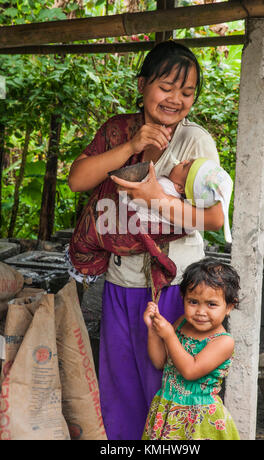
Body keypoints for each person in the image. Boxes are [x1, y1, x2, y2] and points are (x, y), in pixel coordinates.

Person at [68, 40, 224, 440]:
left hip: (173, 287)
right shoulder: (118, 131)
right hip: (122, 284)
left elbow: (214, 217)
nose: (176, 99)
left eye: (187, 92)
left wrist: (157, 199)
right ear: (142, 84)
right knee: (120, 390)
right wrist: (133, 146)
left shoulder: (195, 143)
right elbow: (78, 180)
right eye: (166, 87)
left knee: (164, 387)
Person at [142, 257, 240, 440]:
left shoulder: (223, 342)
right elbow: (159, 362)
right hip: (168, 408)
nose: (201, 311)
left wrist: (169, 335)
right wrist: (152, 330)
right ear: (183, 299)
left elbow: (190, 371)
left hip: (199, 419)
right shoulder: (181, 324)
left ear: (229, 307)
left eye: (211, 304)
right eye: (193, 302)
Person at [125, 156, 233, 243]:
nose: (184, 161)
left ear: (180, 188)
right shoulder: (186, 209)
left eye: (185, 165)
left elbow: (130, 197)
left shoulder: (163, 186)